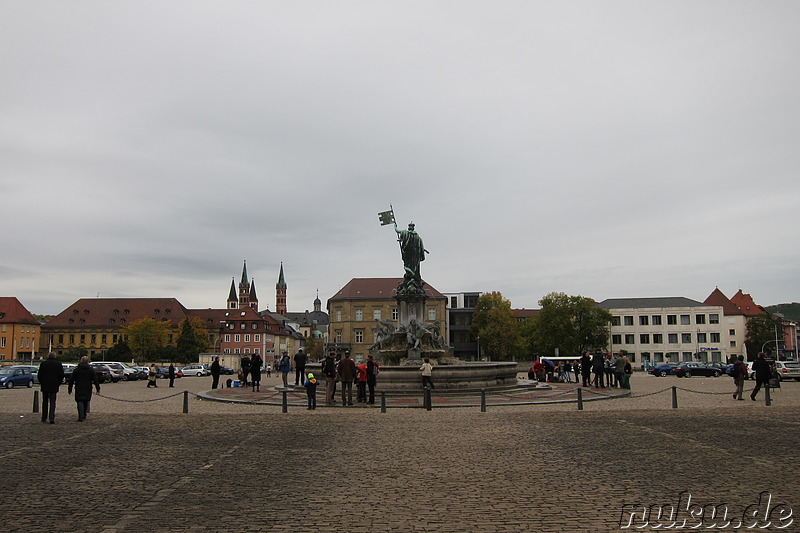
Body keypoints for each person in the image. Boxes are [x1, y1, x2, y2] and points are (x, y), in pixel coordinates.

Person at [67, 356, 100, 422]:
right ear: (88, 361)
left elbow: (71, 380)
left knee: (79, 401)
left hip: (79, 387)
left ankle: (80, 415)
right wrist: (98, 388)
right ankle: (84, 414)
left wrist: (69, 388)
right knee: (85, 401)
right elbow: (95, 379)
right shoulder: (90, 370)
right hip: (88, 388)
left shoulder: (77, 370)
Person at [37, 352, 65, 424]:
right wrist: (58, 383)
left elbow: (39, 375)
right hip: (54, 385)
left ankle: (44, 417)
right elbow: (61, 375)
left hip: (45, 385)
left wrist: (42, 383)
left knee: (45, 402)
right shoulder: (58, 364)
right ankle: (51, 417)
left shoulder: (43, 364)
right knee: (53, 402)